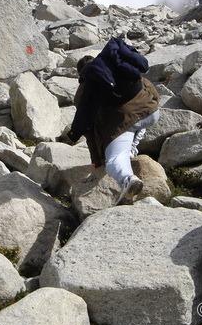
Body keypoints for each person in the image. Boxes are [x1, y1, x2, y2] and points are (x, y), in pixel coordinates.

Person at [67, 37, 160, 205]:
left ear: (81, 75)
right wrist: (152, 104)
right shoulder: (116, 67)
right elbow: (146, 83)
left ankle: (128, 180)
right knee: (139, 123)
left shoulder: (84, 91)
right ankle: (132, 148)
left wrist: (96, 160)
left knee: (113, 161)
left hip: (127, 120)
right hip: (152, 112)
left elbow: (88, 127)